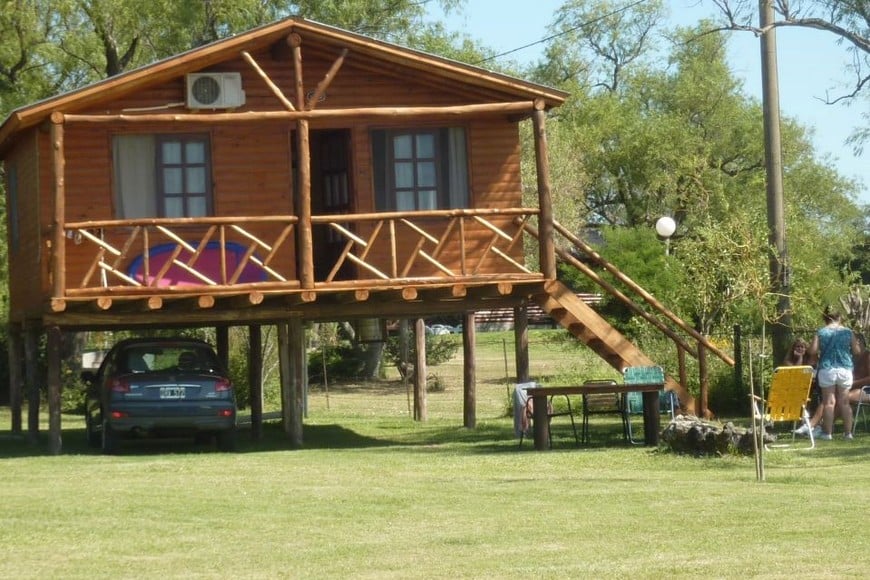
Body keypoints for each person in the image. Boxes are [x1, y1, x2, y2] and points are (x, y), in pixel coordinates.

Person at [807, 308, 862, 440]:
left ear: (825, 318)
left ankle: (828, 433)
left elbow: (812, 351)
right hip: (845, 368)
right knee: (844, 402)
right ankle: (848, 434)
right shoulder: (848, 332)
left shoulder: (821, 332)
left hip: (827, 368)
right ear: (839, 317)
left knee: (828, 403)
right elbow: (857, 351)